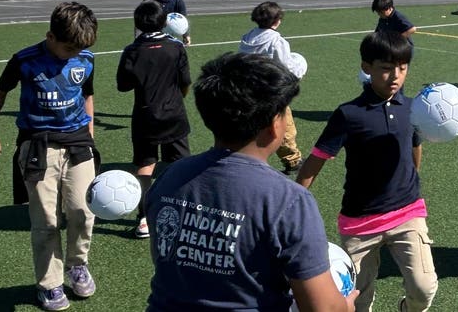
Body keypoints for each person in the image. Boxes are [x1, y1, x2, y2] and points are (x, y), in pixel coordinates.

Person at [146, 53, 355, 312]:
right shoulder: (288, 200)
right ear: (274, 125)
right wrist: (345, 305)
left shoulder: (172, 176)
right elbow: (323, 309)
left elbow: (166, 259)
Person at [296, 32, 438, 312]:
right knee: (357, 300)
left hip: (406, 213)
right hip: (359, 223)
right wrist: (295, 196)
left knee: (424, 287)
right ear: (367, 67)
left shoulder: (412, 108)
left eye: (402, 68)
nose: (395, 76)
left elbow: (414, 146)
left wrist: (410, 183)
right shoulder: (349, 114)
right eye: (386, 68)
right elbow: (317, 158)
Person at [0, 2, 99, 311]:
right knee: (46, 220)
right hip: (37, 145)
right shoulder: (24, 60)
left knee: (83, 212)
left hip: (78, 143)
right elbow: (0, 91)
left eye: (79, 48)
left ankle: (77, 264)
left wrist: (90, 128)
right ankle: (50, 283)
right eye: (68, 47)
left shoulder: (85, 58)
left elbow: (87, 93)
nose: (74, 53)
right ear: (50, 37)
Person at [117, 0, 192, 239]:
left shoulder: (132, 50)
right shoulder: (176, 47)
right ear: (164, 21)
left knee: (145, 166)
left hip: (145, 115)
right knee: (181, 165)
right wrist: (176, 98)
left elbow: (123, 86)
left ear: (137, 24)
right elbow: (185, 82)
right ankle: (184, 214)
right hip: (173, 114)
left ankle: (144, 219)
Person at [239, 1, 308, 175]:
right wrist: (300, 67)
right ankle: (293, 160)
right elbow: (286, 67)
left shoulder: (247, 37)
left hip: (249, 89)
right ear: (277, 20)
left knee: (251, 126)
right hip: (271, 92)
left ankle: (244, 156)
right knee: (284, 127)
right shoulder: (277, 41)